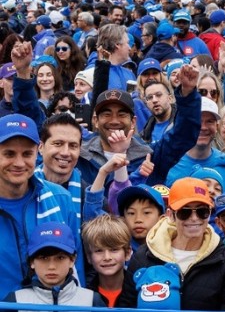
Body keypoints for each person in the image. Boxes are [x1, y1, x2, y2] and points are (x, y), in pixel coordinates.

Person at [117, 177, 225, 310]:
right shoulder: (143, 256)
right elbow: (128, 306)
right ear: (170, 215)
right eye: (185, 212)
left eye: (202, 211)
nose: (194, 218)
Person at [0, 113, 81, 298]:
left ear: (37, 151)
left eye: (27, 153)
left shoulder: (61, 198)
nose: (19, 163)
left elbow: (75, 265)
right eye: (9, 153)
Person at [3, 222, 105, 309]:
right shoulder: (15, 301)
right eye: (44, 258)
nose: (51, 266)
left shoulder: (91, 300)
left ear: (72, 260)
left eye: (60, 258)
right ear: (32, 262)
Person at [82, 214, 133, 307]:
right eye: (99, 250)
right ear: (89, 256)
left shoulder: (141, 294)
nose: (107, 257)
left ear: (128, 253)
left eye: (114, 249)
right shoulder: (83, 297)